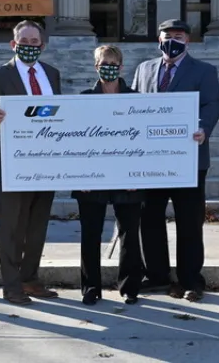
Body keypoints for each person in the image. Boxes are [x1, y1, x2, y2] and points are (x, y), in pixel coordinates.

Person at [132, 18, 219, 302]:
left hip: (189, 159)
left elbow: (212, 104)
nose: (172, 39)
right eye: (168, 35)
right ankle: (157, 275)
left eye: (178, 35)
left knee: (189, 222)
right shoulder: (144, 69)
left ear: (188, 40)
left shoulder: (204, 71)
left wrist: (203, 128)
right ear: (159, 39)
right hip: (151, 162)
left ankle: (191, 280)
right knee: (150, 219)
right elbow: (133, 105)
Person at [0, 20, 61, 306]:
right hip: (16, 164)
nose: (29, 46)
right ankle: (11, 286)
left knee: (37, 226)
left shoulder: (52, 74)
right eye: (23, 41)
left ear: (42, 45)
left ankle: (30, 278)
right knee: (11, 228)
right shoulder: (0, 75)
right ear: (13, 44)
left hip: (48, 163)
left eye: (34, 41)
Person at [72, 45, 145, 306]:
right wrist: (81, 176)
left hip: (128, 179)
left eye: (114, 63)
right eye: (104, 63)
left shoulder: (137, 99)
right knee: (90, 234)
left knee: (129, 233)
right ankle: (91, 287)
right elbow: (74, 142)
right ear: (96, 66)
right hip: (91, 180)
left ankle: (130, 286)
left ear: (122, 66)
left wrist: (139, 175)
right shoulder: (82, 99)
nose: (109, 67)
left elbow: (143, 141)